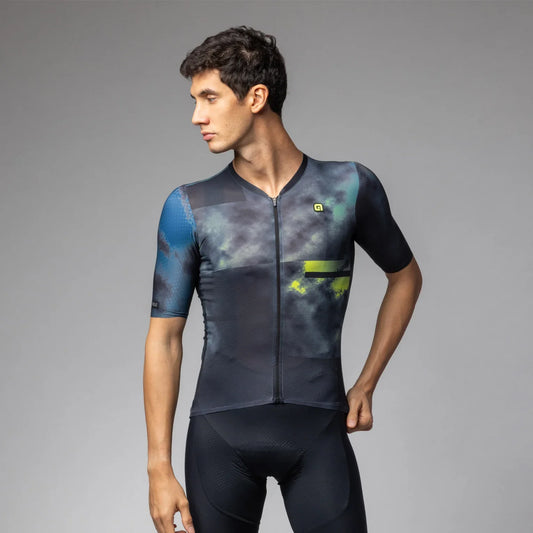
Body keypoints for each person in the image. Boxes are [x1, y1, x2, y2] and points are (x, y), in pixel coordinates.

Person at [143, 25, 423, 533]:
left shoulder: (347, 188)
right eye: (194, 100)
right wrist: (157, 467)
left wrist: (367, 382)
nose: (196, 116)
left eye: (209, 98)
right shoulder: (189, 207)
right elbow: (164, 339)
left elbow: (405, 277)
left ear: (256, 97)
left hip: (319, 432)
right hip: (219, 438)